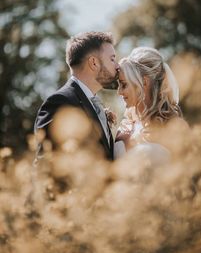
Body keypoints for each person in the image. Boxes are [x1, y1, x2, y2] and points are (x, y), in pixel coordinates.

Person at [35, 31, 119, 160]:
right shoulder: (60, 102)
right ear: (94, 63)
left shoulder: (95, 104)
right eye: (112, 59)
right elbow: (45, 162)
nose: (117, 66)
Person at [115, 46, 184, 165]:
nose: (119, 92)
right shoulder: (125, 127)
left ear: (144, 82)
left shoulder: (172, 127)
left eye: (124, 85)